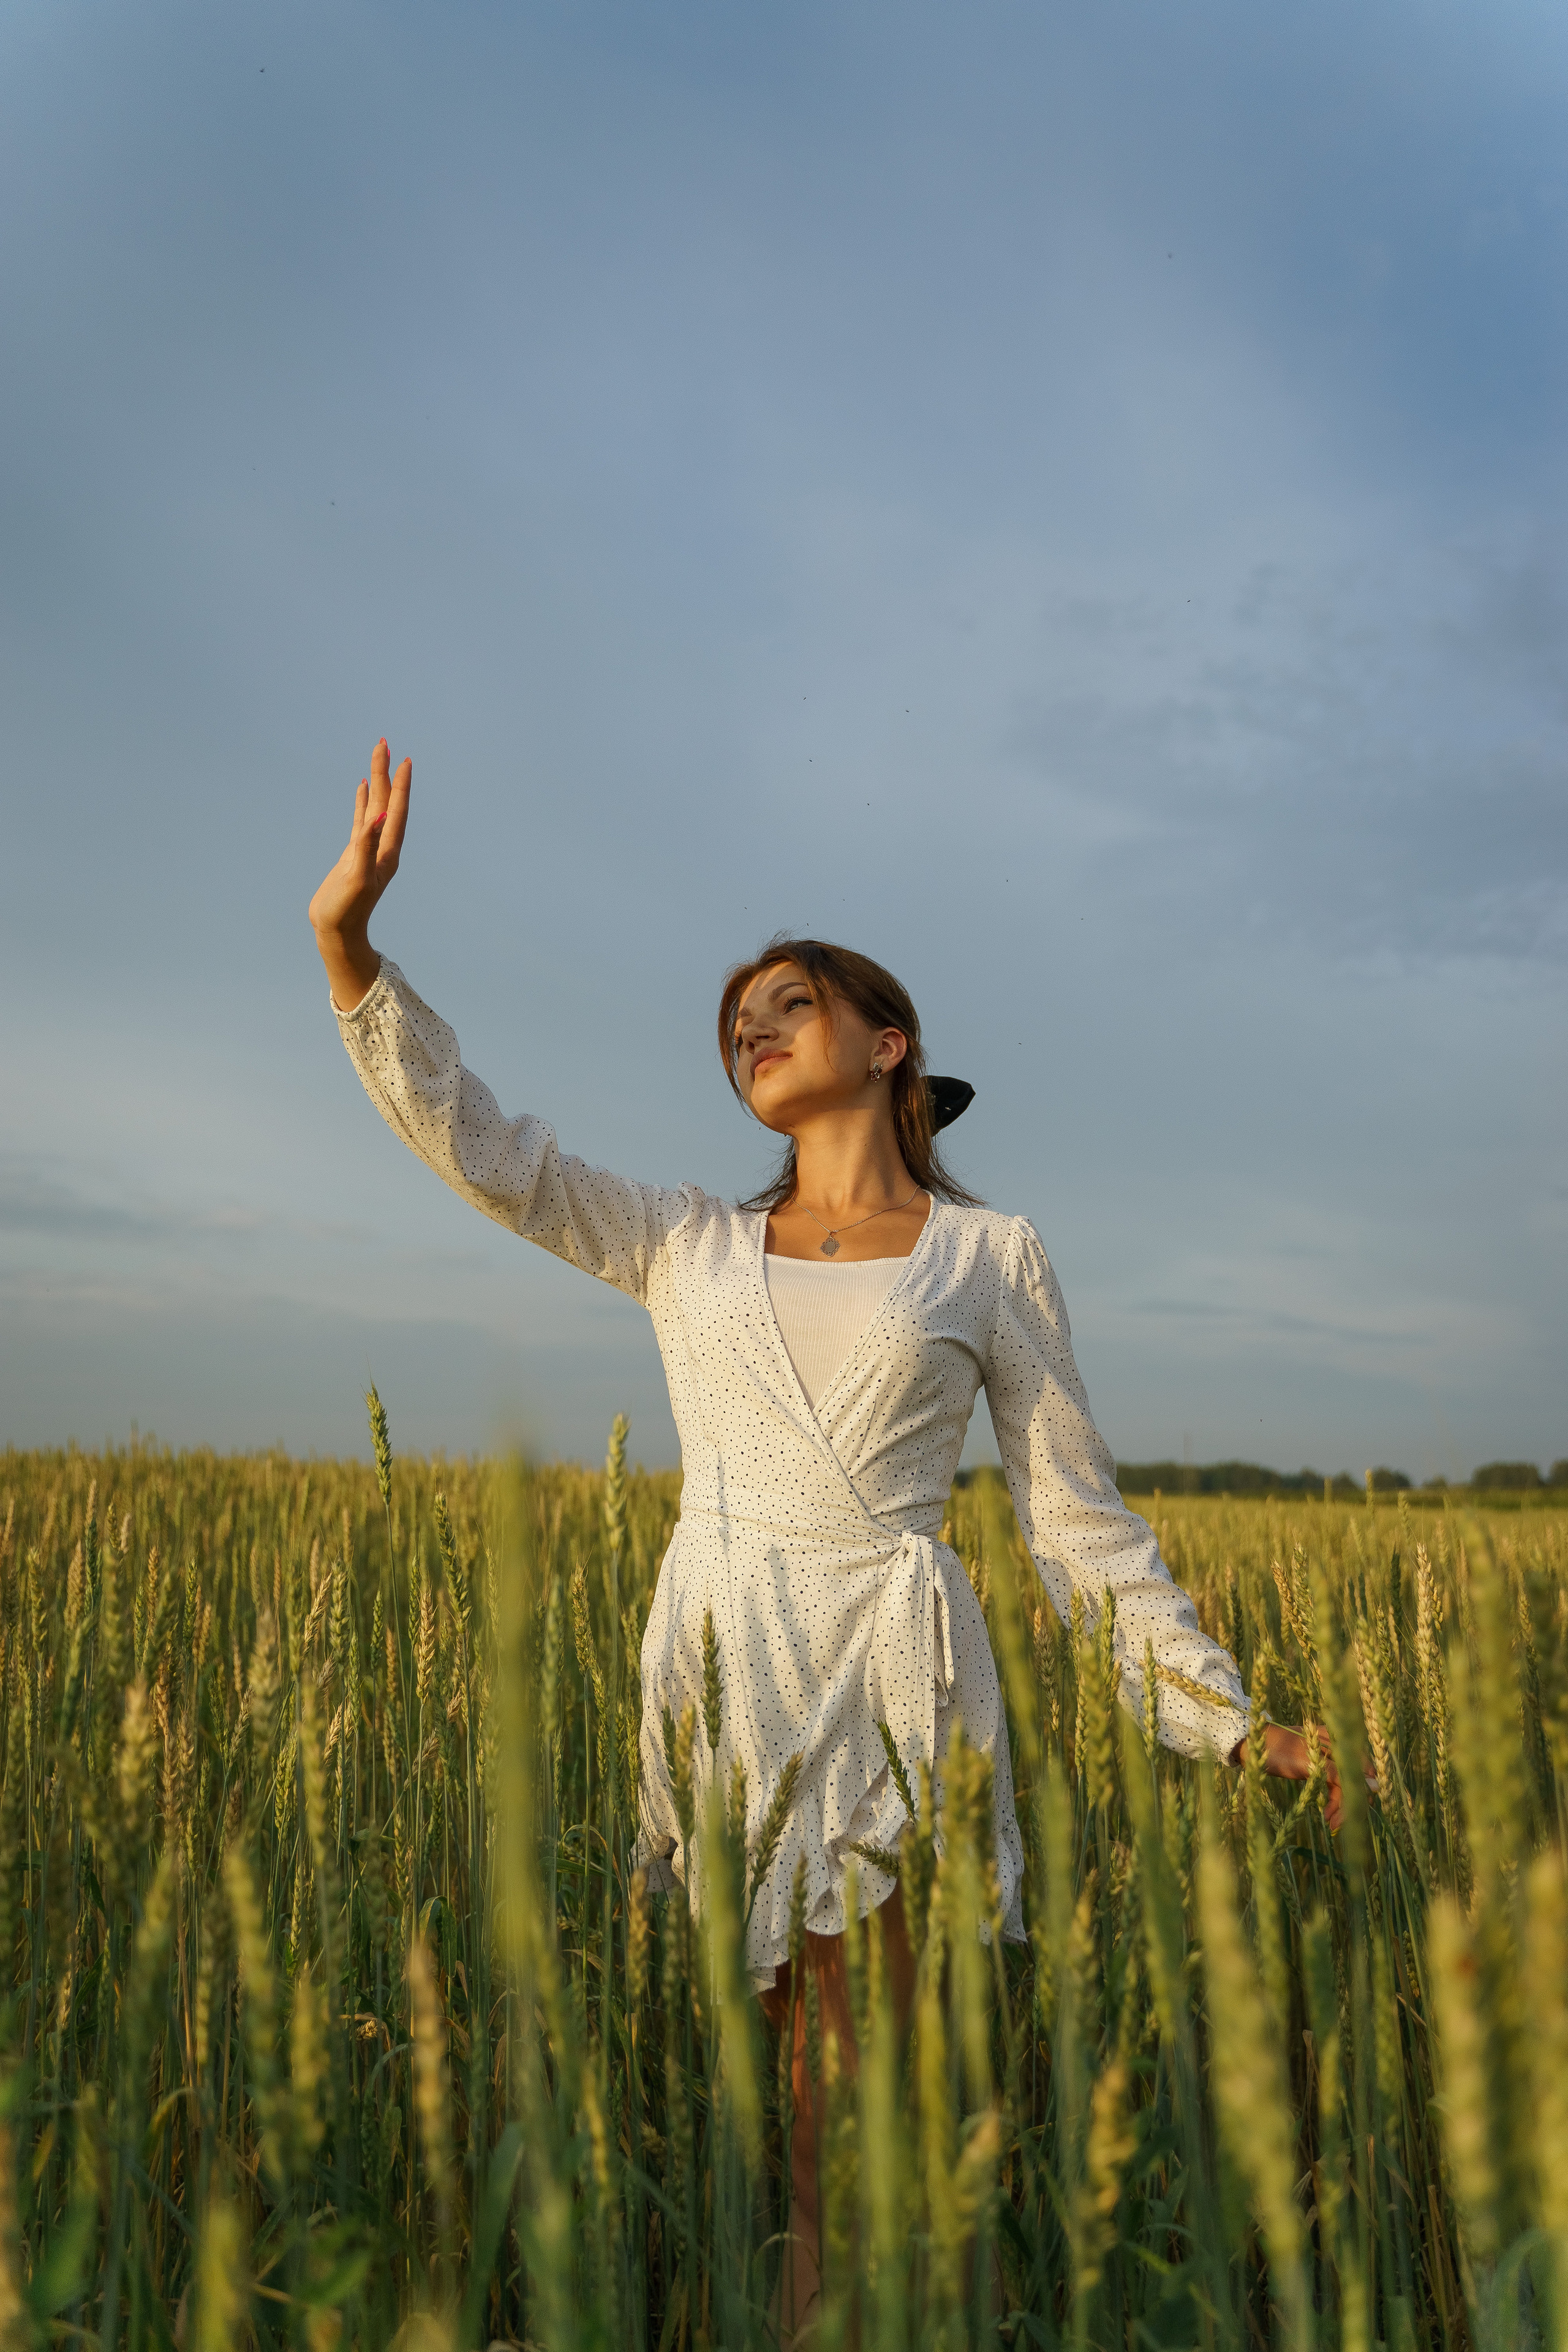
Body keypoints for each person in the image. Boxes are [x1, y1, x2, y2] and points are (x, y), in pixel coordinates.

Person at [309, 739, 1346, 2341]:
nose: (751, 1022)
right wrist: (351, 953)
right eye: (736, 1019)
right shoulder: (685, 1240)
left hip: (891, 1677)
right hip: (730, 1669)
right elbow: (493, 1156)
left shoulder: (993, 1256)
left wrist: (1229, 1725)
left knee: (854, 2108)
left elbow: (1077, 1524)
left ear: (887, 1041)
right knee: (802, 2107)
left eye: (787, 1001)